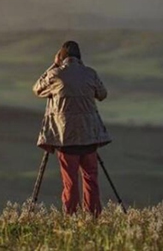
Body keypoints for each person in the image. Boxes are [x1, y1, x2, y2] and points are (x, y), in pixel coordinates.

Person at [33, 40, 112, 216]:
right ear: (79, 58)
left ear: (61, 57)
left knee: (70, 181)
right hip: (89, 136)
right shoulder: (90, 74)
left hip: (65, 137)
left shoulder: (56, 75)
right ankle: (93, 218)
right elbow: (102, 94)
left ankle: (71, 217)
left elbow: (37, 89)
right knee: (91, 178)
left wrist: (54, 65)